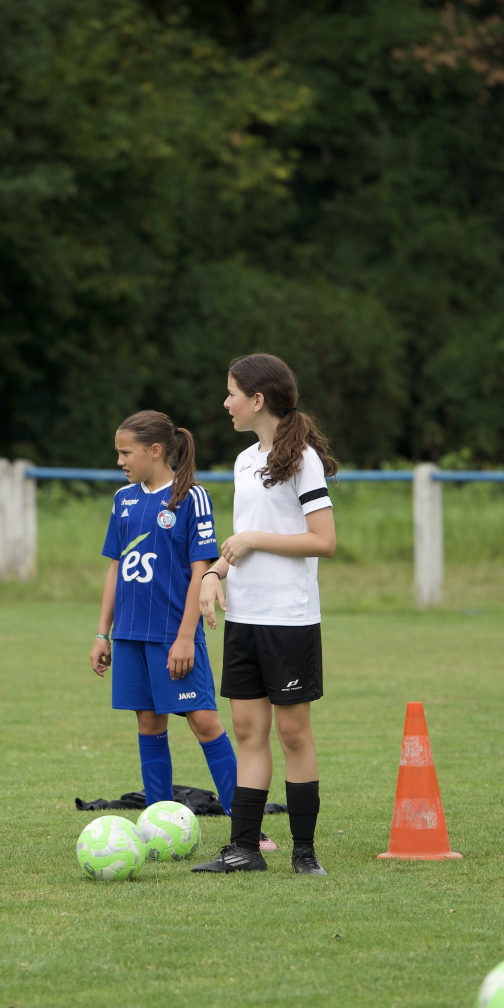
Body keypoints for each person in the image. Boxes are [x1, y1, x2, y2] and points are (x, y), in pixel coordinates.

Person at [192, 354, 337, 875]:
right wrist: (214, 574)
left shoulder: (303, 460)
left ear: (257, 400)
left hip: (289, 619)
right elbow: (240, 543)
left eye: (232, 393)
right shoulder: (243, 461)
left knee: (293, 735)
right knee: (248, 732)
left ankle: (304, 852)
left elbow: (323, 541)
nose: (225, 402)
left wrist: (254, 539)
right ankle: (244, 849)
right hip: (244, 617)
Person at [89, 411, 240, 823]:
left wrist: (186, 637)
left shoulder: (191, 497)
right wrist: (103, 633)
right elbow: (116, 569)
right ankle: (158, 821)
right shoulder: (123, 499)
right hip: (130, 634)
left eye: (126, 452)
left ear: (155, 450)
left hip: (173, 633)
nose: (120, 461)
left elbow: (200, 570)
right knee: (149, 723)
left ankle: (247, 827)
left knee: (204, 721)